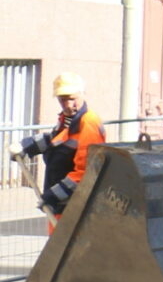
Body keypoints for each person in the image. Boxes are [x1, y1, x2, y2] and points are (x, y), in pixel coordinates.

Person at [18, 73, 104, 217]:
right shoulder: (67, 119)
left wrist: (55, 195)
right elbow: (55, 140)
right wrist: (26, 146)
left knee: (64, 239)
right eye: (63, 100)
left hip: (74, 206)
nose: (68, 105)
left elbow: (86, 171)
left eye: (72, 99)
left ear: (82, 94)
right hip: (61, 202)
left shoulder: (88, 122)